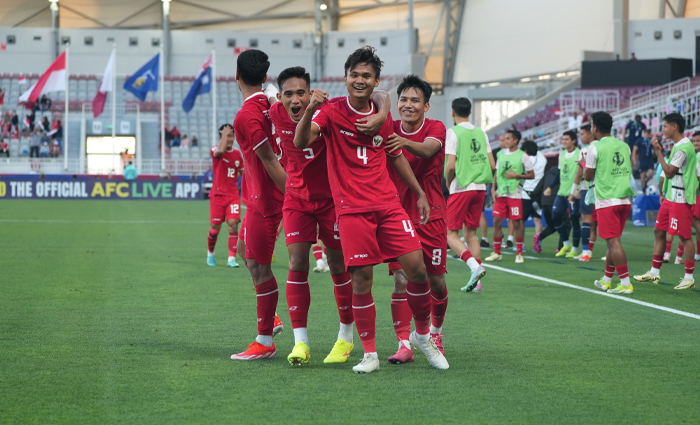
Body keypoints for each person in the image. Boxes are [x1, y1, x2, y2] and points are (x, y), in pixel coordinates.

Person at [295, 46, 448, 373]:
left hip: (389, 206)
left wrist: (420, 192)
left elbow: (395, 155)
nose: (360, 80)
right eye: (354, 75)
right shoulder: (332, 111)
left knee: (417, 269)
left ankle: (422, 336)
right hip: (352, 211)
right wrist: (309, 109)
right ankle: (369, 354)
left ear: (376, 80)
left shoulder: (384, 117)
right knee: (362, 279)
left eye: (367, 76)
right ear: (345, 78)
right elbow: (301, 141)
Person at [268, 66, 364, 366]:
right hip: (297, 199)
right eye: (288, 94)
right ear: (280, 97)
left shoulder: (328, 110)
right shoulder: (274, 113)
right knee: (297, 262)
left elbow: (374, 98)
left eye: (301, 93)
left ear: (310, 93)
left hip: (332, 201)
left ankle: (346, 337)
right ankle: (301, 343)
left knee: (337, 266)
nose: (295, 99)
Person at [383, 75, 450, 363]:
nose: (407, 105)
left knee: (435, 281)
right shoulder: (389, 126)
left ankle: (435, 333)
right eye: (403, 100)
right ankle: (405, 344)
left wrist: (402, 141)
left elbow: (428, 149)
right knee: (401, 279)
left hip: (431, 213)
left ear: (426, 106)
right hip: (397, 214)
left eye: (414, 100)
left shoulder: (435, 127)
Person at [229, 49, 288, 361]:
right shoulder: (270, 101)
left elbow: (270, 162)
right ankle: (272, 318)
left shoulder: (246, 117)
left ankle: (265, 339)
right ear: (265, 77)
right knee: (244, 251)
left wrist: (295, 199)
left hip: (265, 200)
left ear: (236, 77)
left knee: (260, 268)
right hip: (257, 197)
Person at [634, 113, 699, 290]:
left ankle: (689, 277)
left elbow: (669, 172)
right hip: (671, 196)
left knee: (684, 236)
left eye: (664, 126)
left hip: (681, 198)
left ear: (674, 127)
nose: (663, 130)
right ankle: (654, 272)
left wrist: (658, 152)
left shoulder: (683, 149)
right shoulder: (680, 145)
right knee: (658, 230)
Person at [583, 111, 636, 294]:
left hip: (607, 199)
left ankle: (625, 282)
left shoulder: (594, 147)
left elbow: (588, 176)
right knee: (613, 242)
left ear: (594, 127)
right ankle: (606, 280)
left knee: (613, 243)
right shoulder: (624, 146)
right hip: (625, 199)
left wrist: (584, 166)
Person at [443, 96, 492, 292]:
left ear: (453, 113)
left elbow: (450, 165)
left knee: (450, 234)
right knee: (471, 233)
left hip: (462, 187)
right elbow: (492, 164)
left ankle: (475, 267)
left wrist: (448, 184)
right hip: (480, 188)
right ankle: (477, 282)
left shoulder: (453, 132)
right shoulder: (481, 133)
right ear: (470, 112)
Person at [485, 129, 535, 263]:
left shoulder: (523, 156)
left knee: (517, 223)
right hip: (501, 194)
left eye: (508, 139)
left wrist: (516, 176)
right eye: (504, 139)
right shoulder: (500, 154)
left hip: (514, 194)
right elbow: (497, 172)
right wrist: (493, 188)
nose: (505, 141)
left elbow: (532, 174)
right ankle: (497, 252)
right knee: (496, 222)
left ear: (515, 141)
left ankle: (519, 253)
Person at [206, 124, 244, 268]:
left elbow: (243, 172)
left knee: (233, 225)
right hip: (217, 195)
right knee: (215, 229)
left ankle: (231, 258)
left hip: (233, 195)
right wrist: (224, 135)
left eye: (231, 135)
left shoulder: (237, 154)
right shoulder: (215, 149)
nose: (229, 139)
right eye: (225, 135)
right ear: (220, 137)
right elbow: (220, 151)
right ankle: (211, 253)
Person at [544, 130, 582, 258]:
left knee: (574, 220)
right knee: (555, 217)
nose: (563, 141)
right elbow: (560, 174)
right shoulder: (562, 154)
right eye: (562, 139)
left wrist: (579, 189)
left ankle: (575, 249)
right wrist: (550, 187)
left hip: (573, 192)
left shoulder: (580, 153)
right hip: (562, 192)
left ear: (573, 141)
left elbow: (581, 173)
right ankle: (566, 244)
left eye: (566, 139)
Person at [577, 124, 597, 261]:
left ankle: (586, 252)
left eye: (583, 134)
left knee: (588, 220)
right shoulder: (588, 149)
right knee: (592, 223)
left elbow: (585, 172)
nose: (581, 137)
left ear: (591, 134)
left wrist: (582, 164)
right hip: (591, 188)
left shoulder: (589, 149)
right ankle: (587, 251)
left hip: (590, 188)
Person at [521, 140, 546, 252]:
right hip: (538, 194)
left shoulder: (524, 159)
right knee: (537, 218)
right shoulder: (543, 159)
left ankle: (521, 244)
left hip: (525, 192)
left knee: (521, 220)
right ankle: (538, 242)